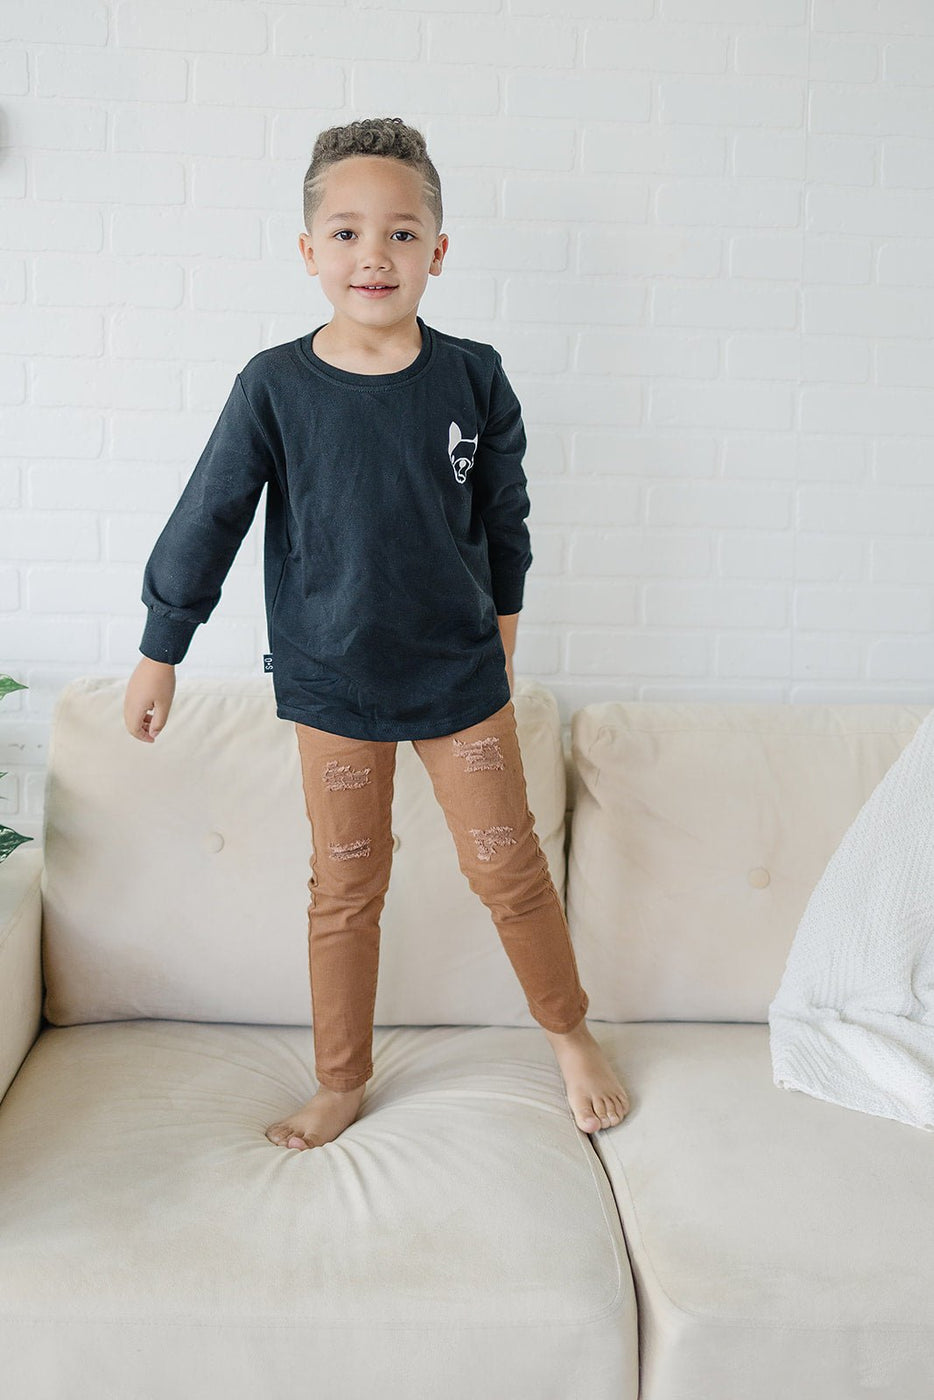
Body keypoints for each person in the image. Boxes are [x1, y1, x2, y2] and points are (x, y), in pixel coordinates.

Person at [123, 115, 629, 1150]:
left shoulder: (473, 375)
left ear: (437, 252)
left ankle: (570, 1032)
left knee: (507, 867)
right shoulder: (272, 385)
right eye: (347, 233)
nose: (374, 255)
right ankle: (341, 1080)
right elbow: (209, 512)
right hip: (333, 683)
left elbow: (504, 513)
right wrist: (159, 645)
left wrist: (506, 629)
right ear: (309, 253)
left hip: (459, 678)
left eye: (401, 234)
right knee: (346, 887)